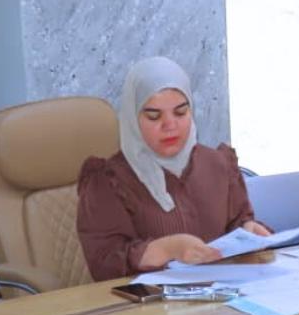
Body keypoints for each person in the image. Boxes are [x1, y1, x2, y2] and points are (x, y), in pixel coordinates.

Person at [77, 57, 269, 281]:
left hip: (223, 295)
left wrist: (248, 231)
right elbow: (104, 264)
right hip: (148, 301)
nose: (170, 125)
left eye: (180, 112)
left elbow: (237, 224)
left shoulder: (218, 164)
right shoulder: (109, 181)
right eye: (154, 116)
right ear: (132, 119)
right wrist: (168, 249)